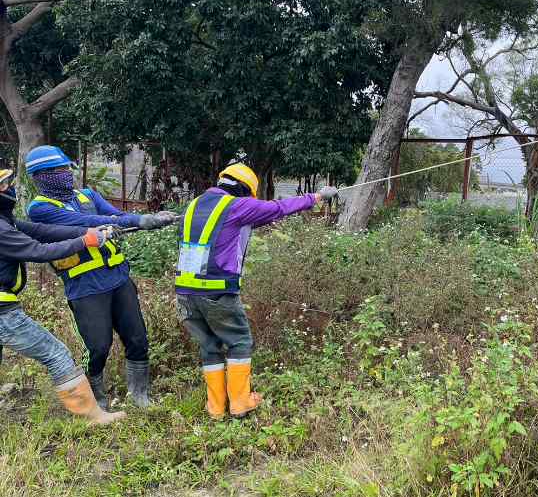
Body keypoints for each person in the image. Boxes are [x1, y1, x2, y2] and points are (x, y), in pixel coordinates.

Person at [176, 163, 337, 419]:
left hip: (185, 294)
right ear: (244, 190)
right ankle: (240, 403)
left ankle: (216, 408)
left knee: (209, 346)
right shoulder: (236, 205)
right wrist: (317, 197)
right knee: (239, 342)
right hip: (217, 291)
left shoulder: (195, 204)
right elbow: (278, 208)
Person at [25, 145, 177, 409]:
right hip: (85, 287)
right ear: (40, 177)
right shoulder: (39, 209)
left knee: (138, 338)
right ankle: (96, 400)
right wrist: (137, 221)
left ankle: (139, 396)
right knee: (98, 346)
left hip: (118, 278)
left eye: (65, 169)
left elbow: (115, 216)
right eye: (56, 171)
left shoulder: (87, 195)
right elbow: (85, 223)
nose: (64, 174)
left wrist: (146, 219)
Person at [0, 167, 126, 425]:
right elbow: (38, 250)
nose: (10, 187)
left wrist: (91, 231)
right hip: (3, 312)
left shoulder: (6, 223)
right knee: (56, 353)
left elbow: (41, 231)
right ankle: (92, 416)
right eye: (4, 185)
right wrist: (85, 242)